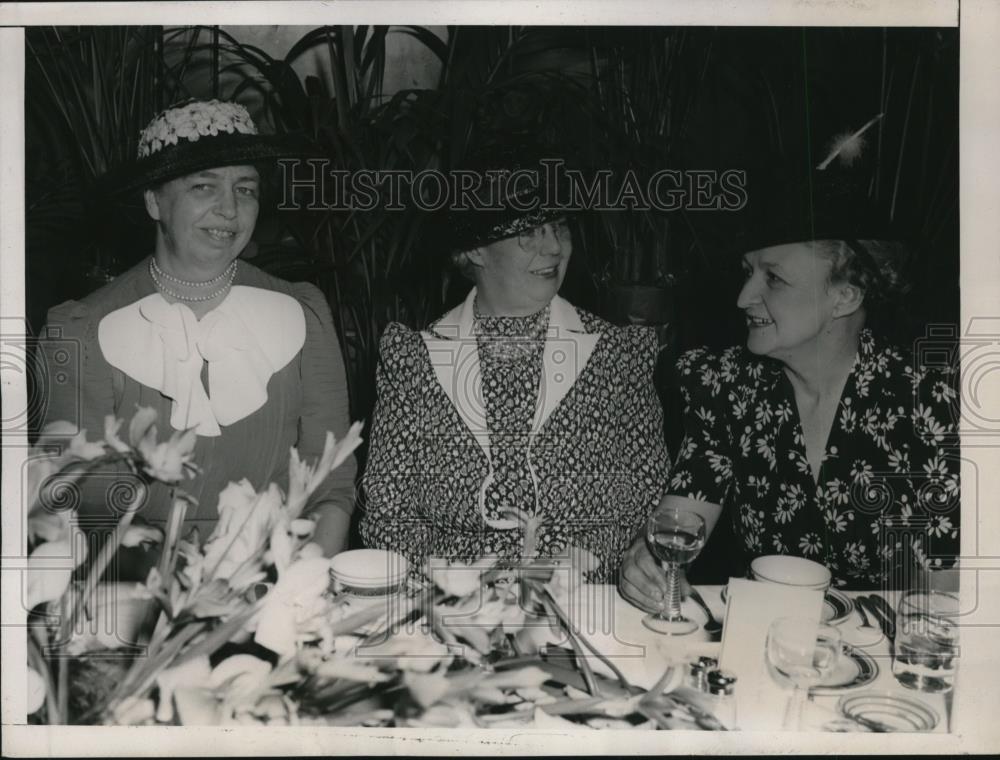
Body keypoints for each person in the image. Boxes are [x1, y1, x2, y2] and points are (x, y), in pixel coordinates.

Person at [620, 163, 960, 608]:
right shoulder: (726, 387)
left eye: (773, 278)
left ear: (846, 296)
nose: (743, 297)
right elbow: (680, 519)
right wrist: (648, 560)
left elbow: (948, 593)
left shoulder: (932, 405)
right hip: (763, 643)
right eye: (748, 272)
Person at [36, 99, 356, 571]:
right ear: (153, 201)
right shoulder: (82, 331)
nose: (229, 209)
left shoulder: (303, 313)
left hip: (280, 583)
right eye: (203, 186)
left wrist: (296, 594)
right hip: (138, 599)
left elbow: (330, 485)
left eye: (245, 189)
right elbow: (83, 507)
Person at [360, 149, 671, 580]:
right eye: (529, 230)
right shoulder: (413, 359)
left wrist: (568, 569)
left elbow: (648, 501)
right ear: (474, 250)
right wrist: (460, 580)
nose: (555, 247)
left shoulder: (618, 353)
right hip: (454, 607)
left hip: (585, 600)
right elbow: (387, 516)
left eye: (559, 226)